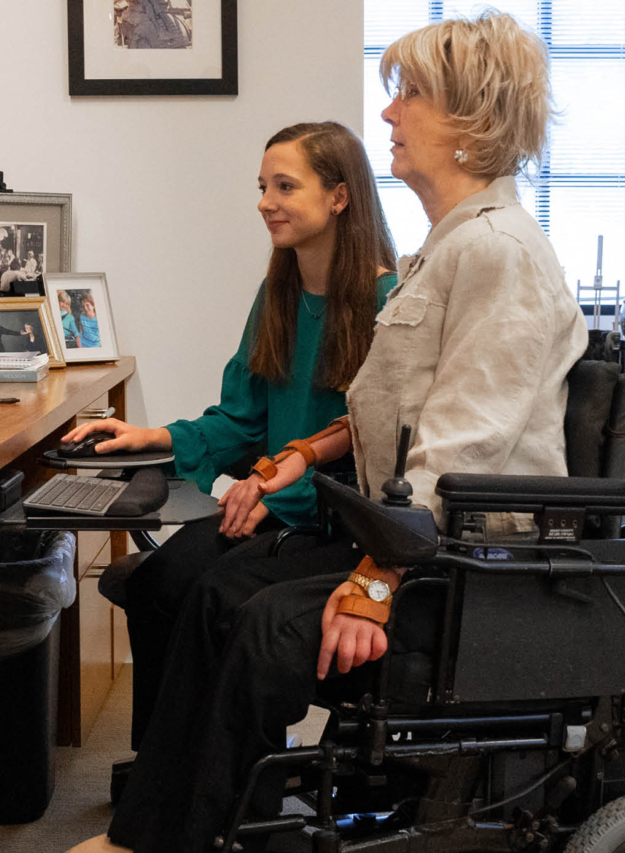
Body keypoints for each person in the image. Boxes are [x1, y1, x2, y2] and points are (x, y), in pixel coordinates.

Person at [32, 14, 586, 853]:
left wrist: (372, 583)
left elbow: (461, 459)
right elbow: (384, 417)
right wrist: (306, 454)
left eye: (408, 93)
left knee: (250, 622)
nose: (389, 111)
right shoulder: (450, 248)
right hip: (418, 542)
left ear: (468, 117)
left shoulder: (497, 254)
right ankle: (157, 836)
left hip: (464, 570)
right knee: (208, 597)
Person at [54, 120, 398, 756]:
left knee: (204, 595)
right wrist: (151, 434)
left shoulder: (388, 300)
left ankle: (214, 777)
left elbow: (371, 447)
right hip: (264, 505)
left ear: (339, 197)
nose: (265, 201)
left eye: (284, 186)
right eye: (263, 185)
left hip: (328, 524)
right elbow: (240, 418)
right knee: (160, 581)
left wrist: (272, 490)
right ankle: (160, 767)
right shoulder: (278, 293)